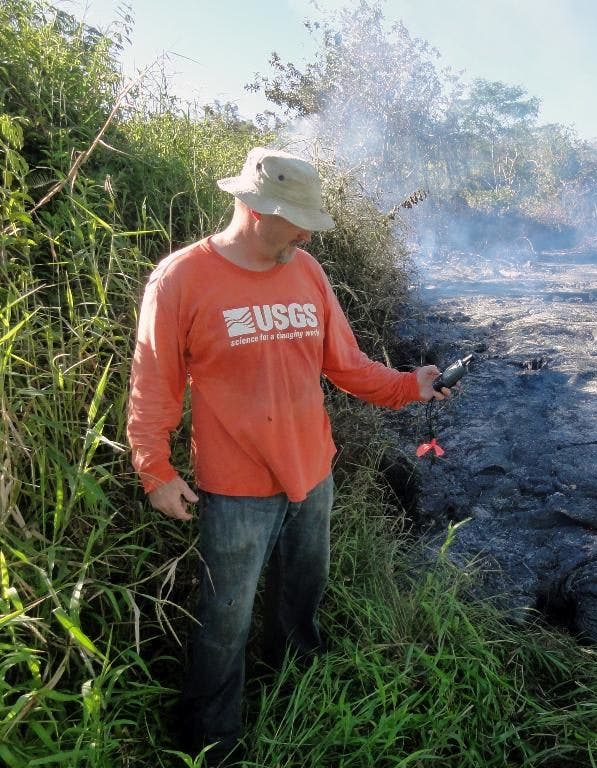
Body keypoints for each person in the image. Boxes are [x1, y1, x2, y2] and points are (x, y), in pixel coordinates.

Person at [126, 147, 449, 764]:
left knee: (303, 591)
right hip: (236, 487)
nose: (305, 232)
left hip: (313, 471)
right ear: (256, 209)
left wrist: (412, 385)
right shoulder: (181, 279)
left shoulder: (306, 273)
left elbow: (345, 365)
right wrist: (155, 470)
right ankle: (211, 742)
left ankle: (297, 685)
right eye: (297, 220)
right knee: (225, 621)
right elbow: (153, 384)